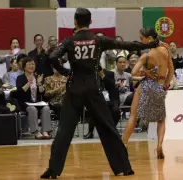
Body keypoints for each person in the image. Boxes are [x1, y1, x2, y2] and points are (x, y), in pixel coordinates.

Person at [40, 8, 163, 179]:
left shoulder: (69, 41)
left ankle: (53, 170)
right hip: (92, 88)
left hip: (74, 88)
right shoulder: (98, 40)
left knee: (64, 130)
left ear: (75, 22)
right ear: (90, 22)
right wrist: (150, 44)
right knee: (108, 128)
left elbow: (53, 57)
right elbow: (127, 45)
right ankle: (123, 168)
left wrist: (65, 72)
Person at [122, 28, 174, 159]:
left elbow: (133, 73)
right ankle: (159, 145)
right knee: (161, 119)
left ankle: (124, 143)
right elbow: (171, 70)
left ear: (149, 39)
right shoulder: (166, 50)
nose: (141, 41)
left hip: (146, 86)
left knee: (134, 115)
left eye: (141, 38)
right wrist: (166, 85)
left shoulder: (146, 56)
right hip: (160, 86)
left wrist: (145, 72)